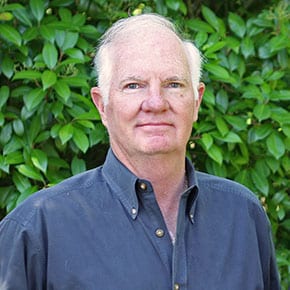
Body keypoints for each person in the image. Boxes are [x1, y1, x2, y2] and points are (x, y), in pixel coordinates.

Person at [0, 13, 280, 290]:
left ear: (196, 101)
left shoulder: (243, 215)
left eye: (173, 84)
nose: (156, 103)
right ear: (102, 105)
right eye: (133, 85)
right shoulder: (37, 229)